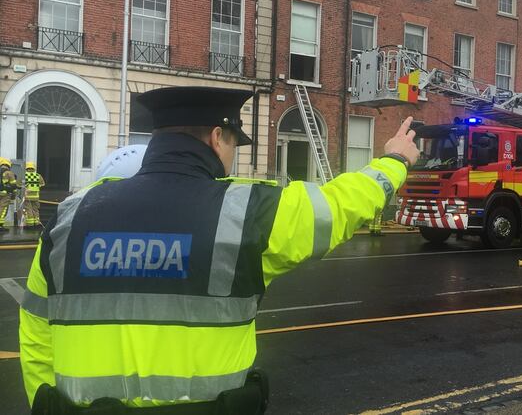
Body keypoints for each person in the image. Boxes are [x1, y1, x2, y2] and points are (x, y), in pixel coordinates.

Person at [19, 86, 420, 414]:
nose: (232, 154)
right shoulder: (246, 211)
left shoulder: (71, 214)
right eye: (233, 143)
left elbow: (36, 330)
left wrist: (45, 401)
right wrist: (394, 161)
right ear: (216, 137)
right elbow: (337, 207)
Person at [22, 162, 46, 228]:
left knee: (28, 209)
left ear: (26, 168)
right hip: (36, 196)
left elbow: (19, 184)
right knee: (35, 209)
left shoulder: (24, 175)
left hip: (27, 196)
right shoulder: (38, 175)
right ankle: (37, 223)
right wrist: (36, 186)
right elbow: (43, 184)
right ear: (33, 167)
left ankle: (30, 224)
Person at [0, 157, 19, 232]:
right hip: (6, 194)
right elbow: (13, 186)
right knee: (3, 208)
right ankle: (0, 226)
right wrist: (14, 195)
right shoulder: (9, 173)